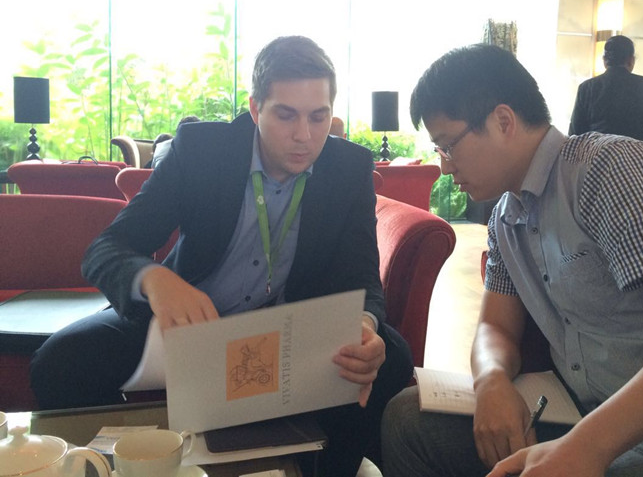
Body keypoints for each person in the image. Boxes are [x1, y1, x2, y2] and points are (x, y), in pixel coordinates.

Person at [381, 43, 643, 477]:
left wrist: (585, 448)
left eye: (447, 146)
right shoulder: (506, 220)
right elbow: (496, 326)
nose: (444, 167)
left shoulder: (613, 170)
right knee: (409, 419)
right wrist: (491, 380)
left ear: (502, 121)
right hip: (590, 415)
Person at [30, 35, 413, 477]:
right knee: (58, 364)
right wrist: (156, 281)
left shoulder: (348, 169)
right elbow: (106, 248)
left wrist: (364, 325)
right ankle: (134, 462)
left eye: (318, 116)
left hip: (286, 331)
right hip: (188, 326)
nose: (304, 136)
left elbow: (364, 280)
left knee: (390, 358)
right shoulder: (202, 151)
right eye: (285, 115)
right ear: (255, 109)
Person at [569, 35, 643, 166]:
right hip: (633, 164)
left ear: (604, 61)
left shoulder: (586, 88)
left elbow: (575, 135)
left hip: (597, 164)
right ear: (631, 60)